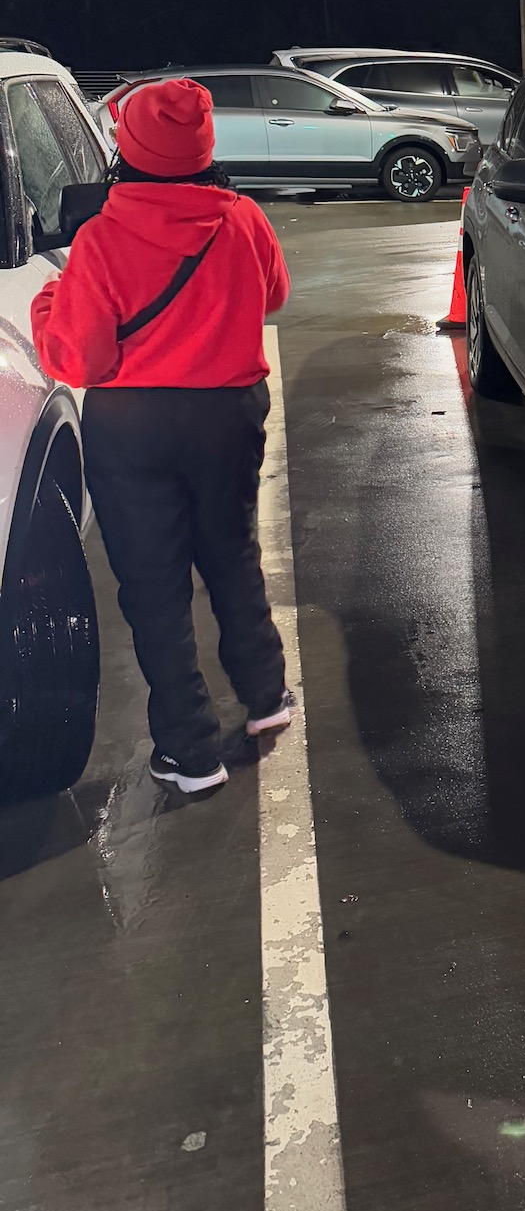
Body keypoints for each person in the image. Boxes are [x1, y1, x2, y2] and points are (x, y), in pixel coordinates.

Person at [31, 77, 293, 794]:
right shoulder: (242, 219)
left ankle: (190, 750)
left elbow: (80, 358)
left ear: (130, 149)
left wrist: (51, 300)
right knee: (232, 554)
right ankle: (267, 698)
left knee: (154, 587)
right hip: (229, 415)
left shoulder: (103, 237)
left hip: (135, 425)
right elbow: (273, 296)